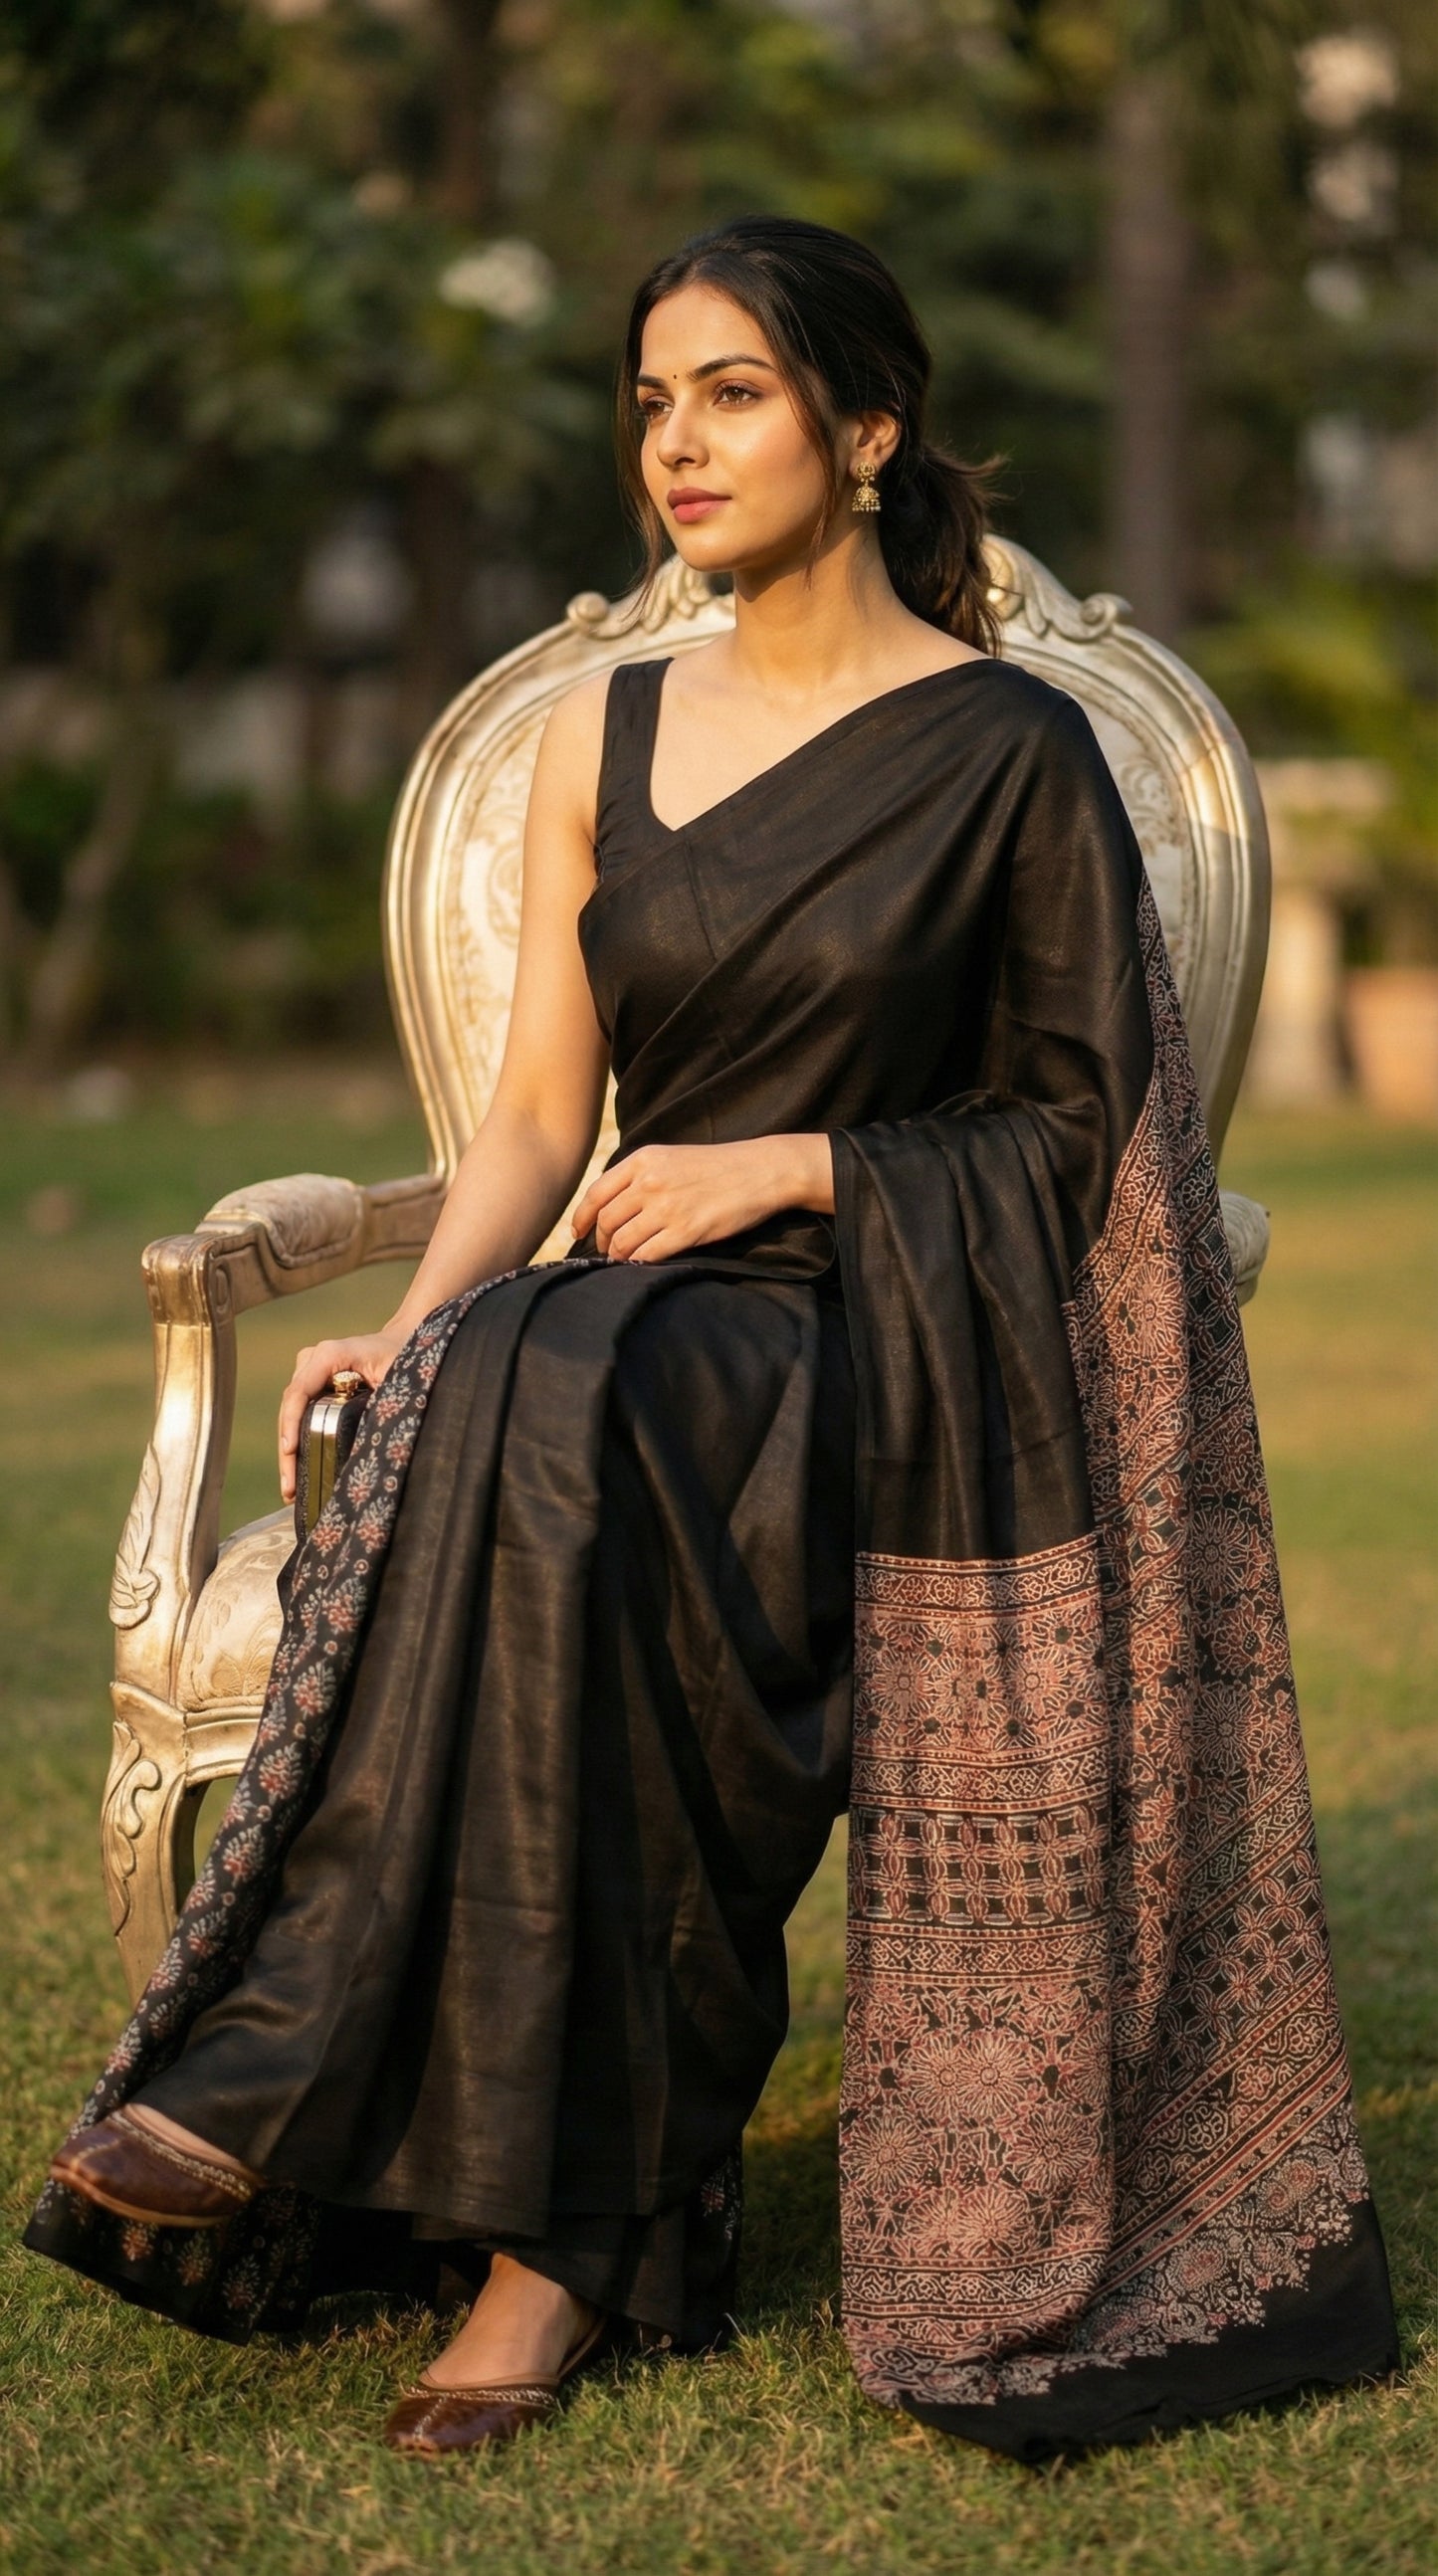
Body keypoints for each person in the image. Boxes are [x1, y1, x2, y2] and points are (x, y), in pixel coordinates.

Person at [27, 218, 1396, 2466]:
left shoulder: (1012, 749)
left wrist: (791, 1168)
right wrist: (406, 1309)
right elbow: (539, 1121)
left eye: (734, 392)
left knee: (570, 1380)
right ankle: (564, 2225)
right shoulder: (601, 732)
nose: (677, 441)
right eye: (654, 398)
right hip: (637, 1328)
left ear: (867, 433)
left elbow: (1074, 1139)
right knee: (515, 1372)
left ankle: (325, 2105)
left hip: (901, 1333)